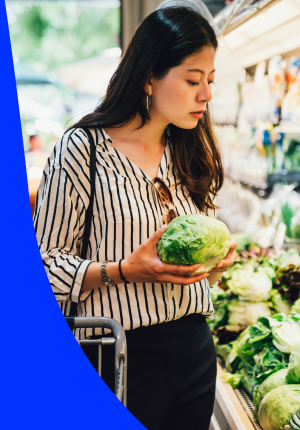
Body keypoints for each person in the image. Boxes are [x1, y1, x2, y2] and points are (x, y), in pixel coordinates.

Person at [34, 7, 238, 430]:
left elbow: (191, 276)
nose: (206, 95)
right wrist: (125, 270)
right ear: (149, 76)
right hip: (116, 354)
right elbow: (43, 266)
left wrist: (213, 268)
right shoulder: (83, 149)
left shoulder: (188, 152)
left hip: (195, 350)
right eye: (193, 79)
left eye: (211, 81)